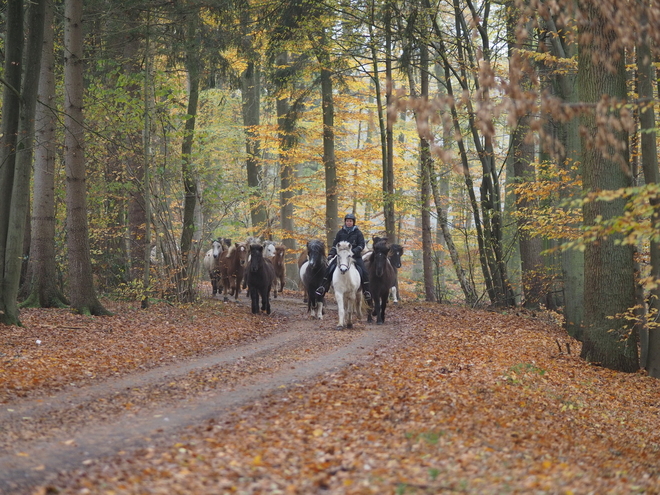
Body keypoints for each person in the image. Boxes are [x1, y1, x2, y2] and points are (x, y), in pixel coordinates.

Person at [315, 213, 372, 303]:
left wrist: (353, 251)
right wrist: (331, 254)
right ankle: (323, 287)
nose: (349, 222)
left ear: (353, 222)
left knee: (364, 271)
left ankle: (366, 291)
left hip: (355, 256)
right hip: (341, 257)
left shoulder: (358, 233)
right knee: (329, 269)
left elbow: (361, 245)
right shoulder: (340, 233)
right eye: (347, 221)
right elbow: (335, 245)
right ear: (345, 222)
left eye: (350, 221)